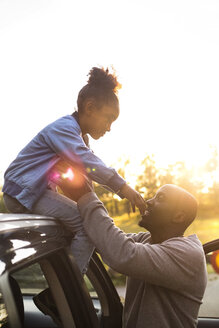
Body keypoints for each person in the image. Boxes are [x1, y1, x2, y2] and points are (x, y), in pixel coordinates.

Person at [2, 67, 146, 274]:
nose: (109, 128)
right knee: (86, 227)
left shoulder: (77, 136)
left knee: (77, 226)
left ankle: (59, 278)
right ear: (90, 107)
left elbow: (86, 176)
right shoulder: (64, 129)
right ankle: (64, 295)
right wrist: (123, 188)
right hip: (22, 193)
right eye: (108, 119)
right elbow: (88, 163)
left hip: (32, 193)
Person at [55, 174, 207, 328]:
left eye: (160, 198)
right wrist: (74, 202)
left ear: (179, 216)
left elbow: (121, 254)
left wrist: (86, 195)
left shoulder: (188, 254)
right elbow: (104, 239)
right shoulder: (147, 240)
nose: (149, 201)